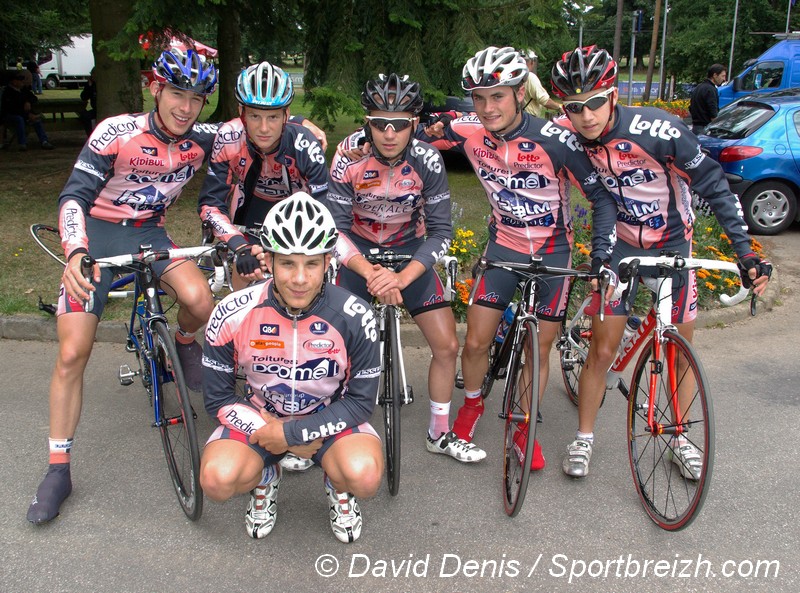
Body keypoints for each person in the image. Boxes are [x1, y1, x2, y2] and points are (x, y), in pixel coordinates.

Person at [25, 49, 252, 525]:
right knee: (72, 352)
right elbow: (73, 196)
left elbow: (259, 130)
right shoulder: (117, 132)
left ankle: (183, 345)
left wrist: (308, 129)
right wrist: (75, 252)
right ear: (156, 88)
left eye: (197, 98)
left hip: (150, 231)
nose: (186, 108)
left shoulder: (205, 139)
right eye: (177, 94)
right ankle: (58, 467)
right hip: (97, 233)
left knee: (200, 301)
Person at [550, 46, 771, 478]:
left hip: (672, 248)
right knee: (603, 349)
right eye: (575, 108)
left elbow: (714, 186)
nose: (587, 116)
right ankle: (584, 438)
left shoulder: (659, 129)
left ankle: (678, 437)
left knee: (680, 354)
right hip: (619, 248)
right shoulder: (567, 132)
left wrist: (746, 252)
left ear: (613, 95)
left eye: (596, 101)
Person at [417, 47, 617, 469]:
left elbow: (600, 197)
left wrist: (600, 255)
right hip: (503, 249)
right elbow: (407, 132)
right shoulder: (468, 131)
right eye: (479, 98)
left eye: (499, 96)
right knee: (474, 341)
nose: (488, 108)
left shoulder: (557, 139)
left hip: (553, 252)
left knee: (537, 350)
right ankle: (472, 405)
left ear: (520, 92)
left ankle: (525, 425)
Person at [199, 193, 383, 543]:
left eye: (311, 264)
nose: (299, 278)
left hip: (331, 416)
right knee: (217, 480)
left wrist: (297, 434)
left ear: (329, 261)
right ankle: (265, 477)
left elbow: (360, 403)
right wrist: (273, 432)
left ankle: (338, 484)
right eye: (287, 264)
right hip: (261, 418)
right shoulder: (231, 311)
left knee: (365, 476)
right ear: (267, 260)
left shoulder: (357, 316)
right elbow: (218, 398)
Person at [328, 74, 486, 464]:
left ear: (414, 124)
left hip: (409, 252)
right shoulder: (347, 156)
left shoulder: (427, 160)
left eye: (399, 124)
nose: (388, 133)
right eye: (380, 123)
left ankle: (439, 432)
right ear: (367, 121)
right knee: (334, 347)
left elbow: (441, 231)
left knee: (448, 345)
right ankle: (328, 426)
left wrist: (401, 276)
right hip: (359, 254)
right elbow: (334, 229)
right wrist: (369, 272)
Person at [199, 61, 328, 293]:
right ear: (242, 114)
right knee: (246, 274)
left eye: (273, 117)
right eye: (255, 116)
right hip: (252, 208)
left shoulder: (305, 143)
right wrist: (239, 246)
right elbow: (210, 205)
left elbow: (325, 205)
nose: (264, 128)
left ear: (286, 115)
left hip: (298, 210)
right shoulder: (228, 136)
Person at [0, 72, 54, 150]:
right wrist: (27, 115)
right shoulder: (7, 92)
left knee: (37, 120)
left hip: (24, 114)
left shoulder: (23, 90)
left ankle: (44, 141)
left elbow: (34, 98)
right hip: (10, 115)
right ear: (14, 82)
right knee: (19, 119)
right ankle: (22, 143)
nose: (22, 82)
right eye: (20, 80)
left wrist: (28, 101)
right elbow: (11, 109)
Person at [520, 49, 560, 118]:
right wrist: (559, 108)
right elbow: (545, 100)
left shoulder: (514, 76)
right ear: (532, 62)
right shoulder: (530, 77)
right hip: (529, 118)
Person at [689, 63, 727, 134]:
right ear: (715, 75)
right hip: (705, 128)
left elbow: (691, 107)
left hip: (695, 127)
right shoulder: (711, 90)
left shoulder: (699, 87)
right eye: (723, 76)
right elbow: (713, 113)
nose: (724, 79)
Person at [79, 68, 97, 136]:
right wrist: (89, 86)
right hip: (95, 109)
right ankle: (90, 136)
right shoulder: (90, 84)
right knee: (84, 116)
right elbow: (84, 97)